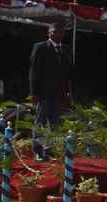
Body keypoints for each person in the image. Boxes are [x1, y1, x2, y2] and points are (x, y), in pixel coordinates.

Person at [28, 23, 73, 159]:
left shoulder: (66, 49)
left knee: (54, 123)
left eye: (60, 32)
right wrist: (33, 92)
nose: (58, 34)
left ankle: (48, 150)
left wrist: (68, 92)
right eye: (55, 32)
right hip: (43, 93)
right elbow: (34, 71)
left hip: (59, 94)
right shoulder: (40, 47)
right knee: (40, 122)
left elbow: (68, 73)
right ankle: (38, 151)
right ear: (49, 33)